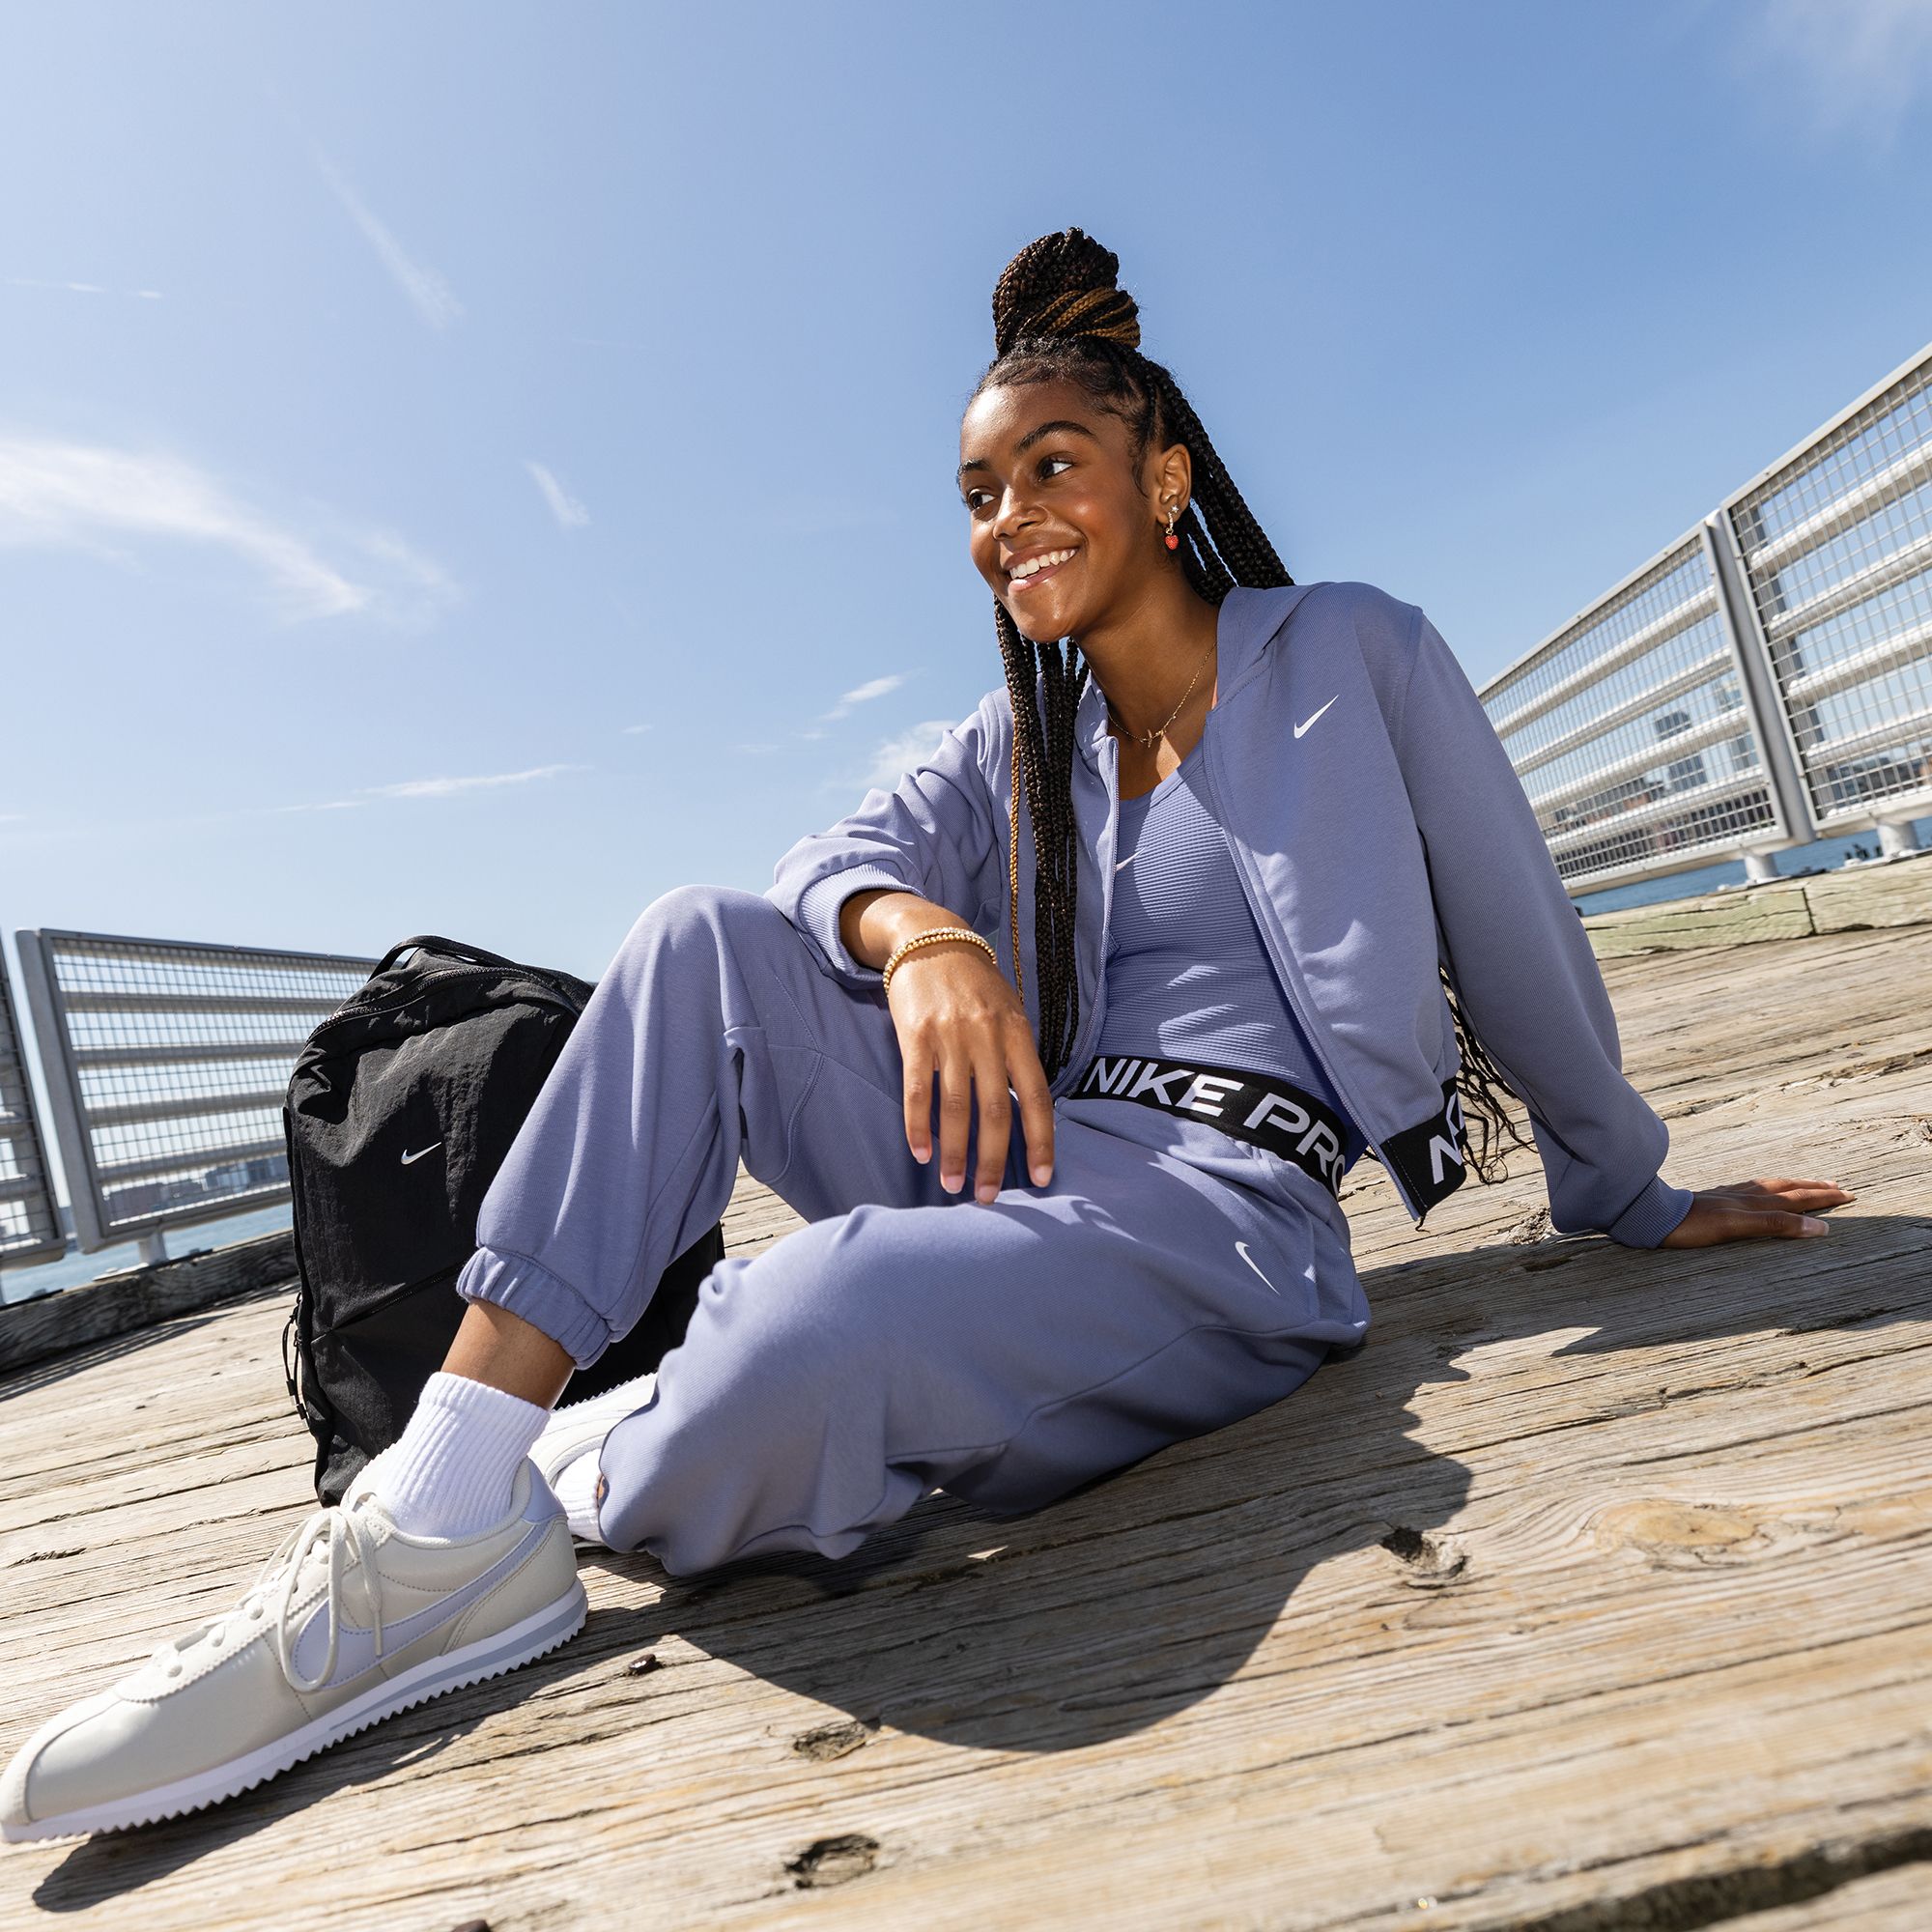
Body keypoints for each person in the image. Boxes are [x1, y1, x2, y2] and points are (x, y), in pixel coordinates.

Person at [1, 229, 1855, 1844]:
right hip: (1023, 1141)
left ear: (1165, 476)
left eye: (1054, 464)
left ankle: (559, 1461)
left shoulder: (1351, 657)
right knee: (701, 936)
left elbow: (1515, 928)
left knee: (801, 1334)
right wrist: (927, 934)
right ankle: (441, 1497)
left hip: (1218, 1212)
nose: (1009, 518)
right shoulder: (1018, 751)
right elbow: (830, 856)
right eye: (978, 494)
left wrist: (1626, 1191)